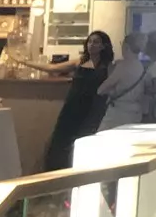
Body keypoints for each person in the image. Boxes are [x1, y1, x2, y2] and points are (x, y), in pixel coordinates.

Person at [31, 31, 114, 171]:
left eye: (96, 42)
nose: (92, 45)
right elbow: (52, 68)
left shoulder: (109, 66)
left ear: (103, 46)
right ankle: (56, 173)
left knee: (83, 140)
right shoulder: (80, 61)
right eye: (90, 41)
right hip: (72, 106)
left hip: (92, 109)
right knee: (61, 139)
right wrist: (24, 62)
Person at [97, 32, 156, 129]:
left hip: (118, 113)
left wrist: (113, 91)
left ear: (126, 47)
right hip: (136, 113)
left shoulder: (124, 66)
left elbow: (100, 90)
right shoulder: (143, 67)